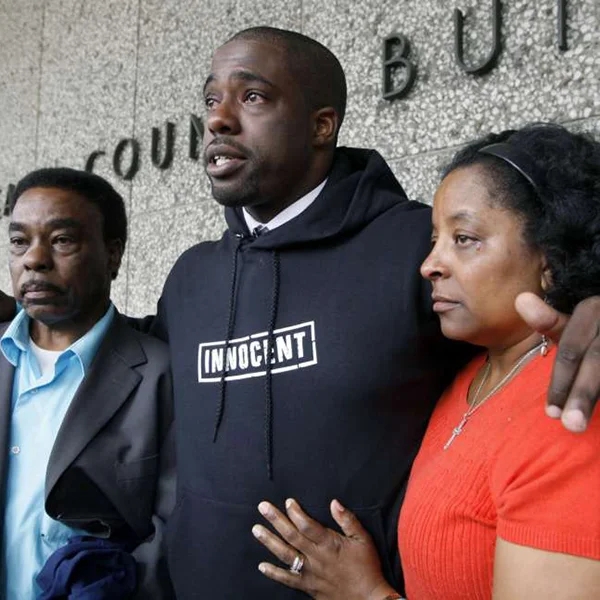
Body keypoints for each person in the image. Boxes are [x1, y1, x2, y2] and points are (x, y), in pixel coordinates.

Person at [1, 27, 599, 600]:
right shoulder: (190, 278)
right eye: (211, 99)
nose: (217, 119)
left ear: (322, 125)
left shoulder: (414, 247)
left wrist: (594, 306)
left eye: (253, 96)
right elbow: (122, 358)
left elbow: (534, 309)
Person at [252, 123, 600, 599]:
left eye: (465, 238)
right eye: (436, 238)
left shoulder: (574, 406)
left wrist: (368, 594)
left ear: (551, 258)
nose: (429, 264)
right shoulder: (469, 373)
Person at [0, 168, 175, 599]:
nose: (34, 260)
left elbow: (177, 528)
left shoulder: (159, 373)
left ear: (113, 255)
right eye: (19, 241)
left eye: (61, 240)